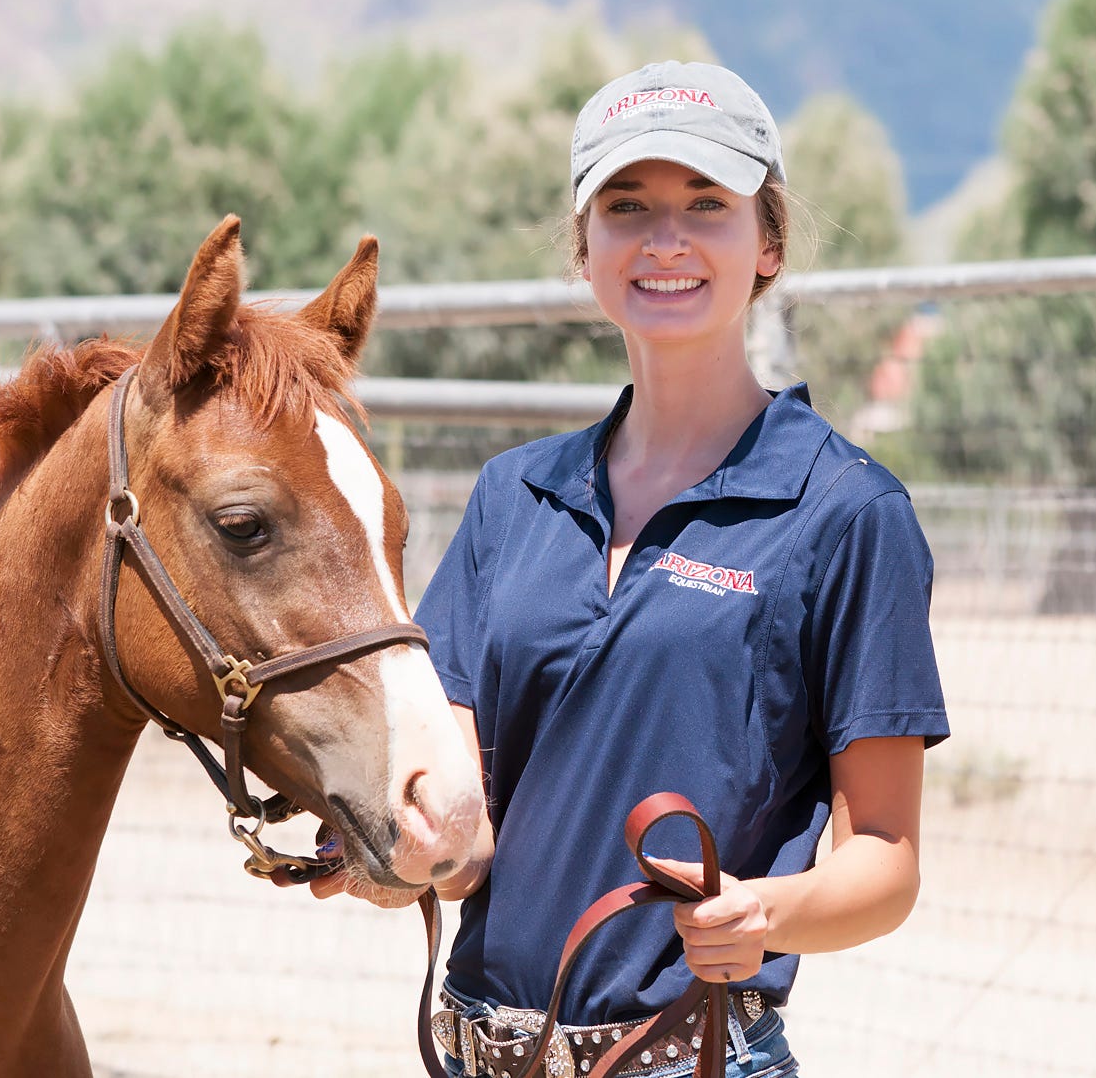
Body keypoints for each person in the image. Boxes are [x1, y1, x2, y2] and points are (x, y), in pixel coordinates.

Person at [315, 60, 949, 1077]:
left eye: (708, 203)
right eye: (627, 206)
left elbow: (888, 858)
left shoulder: (845, 511)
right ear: (584, 247)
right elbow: (468, 829)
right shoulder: (512, 497)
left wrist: (763, 912)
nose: (666, 239)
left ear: (769, 241)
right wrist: (406, 852)